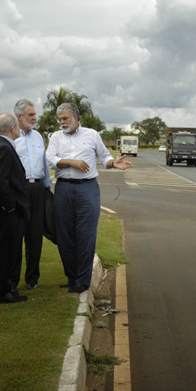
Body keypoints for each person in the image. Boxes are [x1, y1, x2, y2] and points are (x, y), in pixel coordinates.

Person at [46, 103, 133, 293]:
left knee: (86, 235)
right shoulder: (55, 137)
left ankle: (83, 280)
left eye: (65, 118)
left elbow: (104, 157)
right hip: (63, 189)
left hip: (87, 189)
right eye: (60, 119)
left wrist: (112, 163)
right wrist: (71, 162)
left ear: (76, 118)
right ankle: (72, 277)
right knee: (65, 235)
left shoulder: (92, 135)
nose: (62, 122)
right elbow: (49, 160)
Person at [0, 113, 30, 304]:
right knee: (5, 251)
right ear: (12, 128)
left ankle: (1, 288)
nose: (20, 129)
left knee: (4, 250)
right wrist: (11, 206)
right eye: (18, 126)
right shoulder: (4, 147)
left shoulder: (1, 145)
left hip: (6, 210)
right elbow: (1, 181)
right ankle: (3, 290)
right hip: (7, 212)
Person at [12, 99, 53, 290]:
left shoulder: (38, 137)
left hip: (37, 189)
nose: (35, 118)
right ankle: (11, 280)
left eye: (34, 114)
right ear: (20, 117)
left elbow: (43, 163)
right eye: (31, 115)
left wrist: (47, 187)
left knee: (35, 236)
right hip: (18, 191)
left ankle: (32, 279)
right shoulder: (9, 137)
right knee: (15, 235)